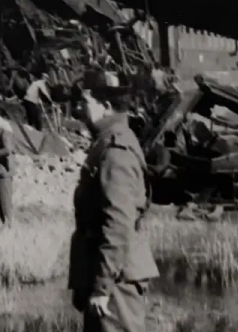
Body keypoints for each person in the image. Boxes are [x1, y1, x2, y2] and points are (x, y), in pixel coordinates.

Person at [67, 82, 158, 332]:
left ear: (106, 107)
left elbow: (117, 224)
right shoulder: (109, 142)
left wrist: (102, 286)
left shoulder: (115, 151)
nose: (78, 108)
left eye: (85, 102)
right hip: (111, 274)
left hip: (117, 280)